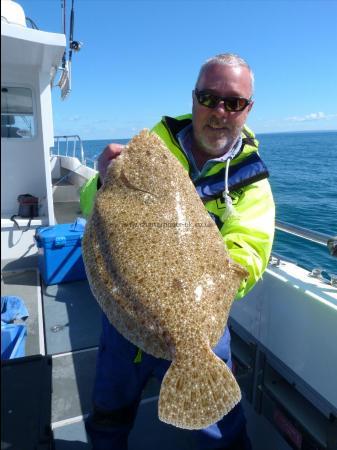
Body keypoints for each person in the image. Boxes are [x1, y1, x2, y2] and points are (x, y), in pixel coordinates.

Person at [81, 53, 275, 450]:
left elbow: (250, 251)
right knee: (109, 413)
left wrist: (195, 302)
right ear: (193, 99)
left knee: (222, 432)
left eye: (234, 102)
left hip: (204, 328)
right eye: (209, 97)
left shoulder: (253, 182)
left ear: (247, 109)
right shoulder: (154, 144)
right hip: (124, 321)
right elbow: (93, 210)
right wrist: (102, 181)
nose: (220, 111)